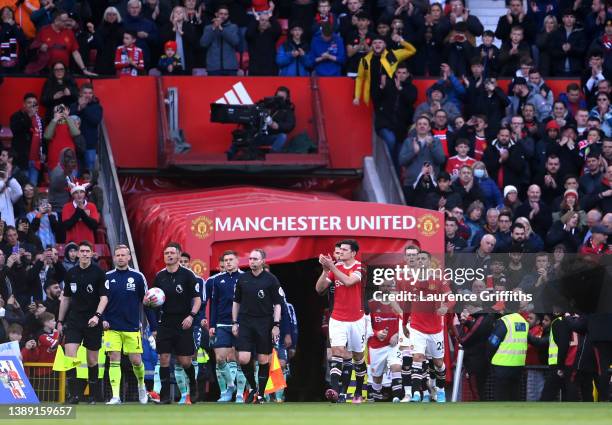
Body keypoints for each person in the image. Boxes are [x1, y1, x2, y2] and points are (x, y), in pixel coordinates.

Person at [56, 241, 108, 404]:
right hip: (74, 320)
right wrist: (60, 320)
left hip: (93, 321)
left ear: (92, 254)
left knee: (92, 360)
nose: (85, 254)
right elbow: (65, 298)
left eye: (88, 251)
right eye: (82, 251)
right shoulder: (71, 273)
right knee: (70, 355)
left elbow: (104, 297)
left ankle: (93, 395)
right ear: (77, 254)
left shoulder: (99, 272)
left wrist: (97, 316)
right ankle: (74, 395)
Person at [315, 239, 366, 403]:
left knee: (358, 356)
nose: (341, 252)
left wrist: (332, 267)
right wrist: (325, 271)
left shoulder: (360, 266)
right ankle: (335, 391)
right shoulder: (335, 269)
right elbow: (319, 289)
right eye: (340, 249)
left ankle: (358, 392)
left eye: (345, 250)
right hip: (337, 317)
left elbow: (349, 281)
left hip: (356, 319)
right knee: (336, 352)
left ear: (353, 253)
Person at [149, 242, 201, 404]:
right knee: (163, 358)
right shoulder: (160, 276)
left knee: (185, 361)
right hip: (165, 322)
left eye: (172, 253)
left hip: (183, 322)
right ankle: (164, 395)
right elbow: (153, 300)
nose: (169, 255)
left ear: (179, 255)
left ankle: (193, 385)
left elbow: (198, 300)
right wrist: (148, 301)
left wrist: (191, 316)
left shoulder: (188, 275)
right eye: (166, 253)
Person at [232, 248, 283, 404]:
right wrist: (234, 322)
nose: (252, 261)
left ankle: (260, 395)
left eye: (255, 259)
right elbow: (236, 302)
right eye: (250, 259)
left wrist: (276, 324)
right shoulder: (242, 279)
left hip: (264, 322)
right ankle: (253, 387)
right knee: (243, 358)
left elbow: (278, 304)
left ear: (262, 261)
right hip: (246, 322)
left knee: (263, 359)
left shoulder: (271, 279)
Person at [103, 245, 148, 405]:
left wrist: (148, 325)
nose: (120, 257)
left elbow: (147, 302)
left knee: (136, 361)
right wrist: (103, 318)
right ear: (114, 257)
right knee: (113, 359)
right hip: (111, 327)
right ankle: (115, 396)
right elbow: (102, 300)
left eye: (123, 255)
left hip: (132, 327)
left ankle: (141, 385)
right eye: (117, 255)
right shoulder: (107, 277)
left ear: (129, 257)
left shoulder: (138, 277)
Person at [408, 250, 452, 402]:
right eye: (417, 258)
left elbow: (451, 298)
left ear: (429, 261)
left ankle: (440, 390)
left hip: (434, 328)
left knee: (438, 363)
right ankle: (416, 393)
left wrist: (446, 307)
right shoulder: (408, 279)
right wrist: (404, 324)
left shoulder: (439, 279)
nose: (420, 261)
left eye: (423, 259)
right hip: (416, 327)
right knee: (418, 358)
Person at [207, 250, 245, 403]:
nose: (228, 262)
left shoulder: (244, 278)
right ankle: (230, 385)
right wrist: (212, 324)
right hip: (222, 323)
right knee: (220, 358)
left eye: (231, 259)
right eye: (226, 260)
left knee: (239, 360)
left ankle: (240, 394)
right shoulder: (217, 280)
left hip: (240, 324)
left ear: (237, 261)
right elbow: (214, 303)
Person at [352, 33, 416, 106]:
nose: (377, 45)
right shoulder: (365, 60)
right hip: (375, 94)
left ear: (385, 45)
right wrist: (357, 97)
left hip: (392, 93)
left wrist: (401, 40)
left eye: (380, 42)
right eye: (374, 43)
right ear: (371, 46)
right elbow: (359, 78)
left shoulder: (392, 55)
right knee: (378, 116)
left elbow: (412, 50)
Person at [367, 280, 403, 402]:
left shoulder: (399, 304)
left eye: (389, 285)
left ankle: (397, 398)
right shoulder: (371, 304)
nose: (386, 288)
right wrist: (377, 333)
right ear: (378, 286)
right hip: (377, 345)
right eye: (383, 285)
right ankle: (376, 396)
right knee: (377, 377)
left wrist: (398, 335)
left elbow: (407, 322)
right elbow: (365, 326)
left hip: (394, 345)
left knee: (396, 367)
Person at [27, 11, 95, 76]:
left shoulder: (69, 32)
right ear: (56, 21)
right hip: (46, 72)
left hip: (63, 72)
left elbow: (75, 53)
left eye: (68, 20)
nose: (67, 23)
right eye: (64, 21)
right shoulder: (44, 30)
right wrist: (40, 47)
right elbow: (33, 47)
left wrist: (84, 69)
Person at [487, 312, 528, 401]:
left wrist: (488, 357)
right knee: (515, 395)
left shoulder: (504, 321)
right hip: (518, 364)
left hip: (501, 364)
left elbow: (493, 342)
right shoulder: (523, 321)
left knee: (500, 397)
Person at [9, 93, 44, 186]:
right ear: (24, 104)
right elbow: (16, 130)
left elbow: (43, 139)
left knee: (33, 187)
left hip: (36, 161)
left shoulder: (40, 120)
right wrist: (28, 117)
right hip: (22, 160)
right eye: (29, 102)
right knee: (22, 187)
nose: (32, 105)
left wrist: (44, 153)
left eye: (34, 103)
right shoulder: (16, 116)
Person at [69, 83, 103, 173]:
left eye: (90, 93)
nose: (88, 95)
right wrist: (79, 108)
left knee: (90, 174)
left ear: (93, 94)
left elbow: (95, 121)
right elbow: (70, 121)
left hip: (90, 145)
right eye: (85, 93)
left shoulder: (97, 107)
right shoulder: (73, 106)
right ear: (80, 94)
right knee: (74, 174)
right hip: (74, 144)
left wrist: (84, 109)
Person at [200, 5, 240, 76]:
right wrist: (213, 28)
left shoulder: (233, 27)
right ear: (216, 14)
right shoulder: (208, 28)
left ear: (228, 16)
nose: (223, 16)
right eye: (221, 13)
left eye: (225, 14)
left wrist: (222, 29)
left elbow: (235, 42)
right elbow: (203, 43)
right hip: (213, 67)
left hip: (230, 67)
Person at [61, 180, 99, 244]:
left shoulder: (92, 206)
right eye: (76, 192)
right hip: (72, 244)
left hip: (88, 243)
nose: (79, 195)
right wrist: (79, 210)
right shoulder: (66, 207)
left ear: (85, 193)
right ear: (72, 194)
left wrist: (81, 212)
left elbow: (94, 225)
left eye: (81, 192)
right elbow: (66, 226)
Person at [246, 11, 280, 76]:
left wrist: (271, 17)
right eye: (262, 20)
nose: (264, 22)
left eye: (267, 21)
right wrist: (256, 20)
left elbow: (278, 30)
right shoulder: (253, 34)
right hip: (255, 69)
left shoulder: (272, 34)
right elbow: (248, 34)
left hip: (270, 69)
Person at [93, 7, 125, 76]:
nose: (111, 16)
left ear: (117, 16)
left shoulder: (122, 28)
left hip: (118, 58)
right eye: (109, 14)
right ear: (105, 16)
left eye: (114, 14)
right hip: (103, 58)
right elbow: (97, 44)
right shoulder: (100, 28)